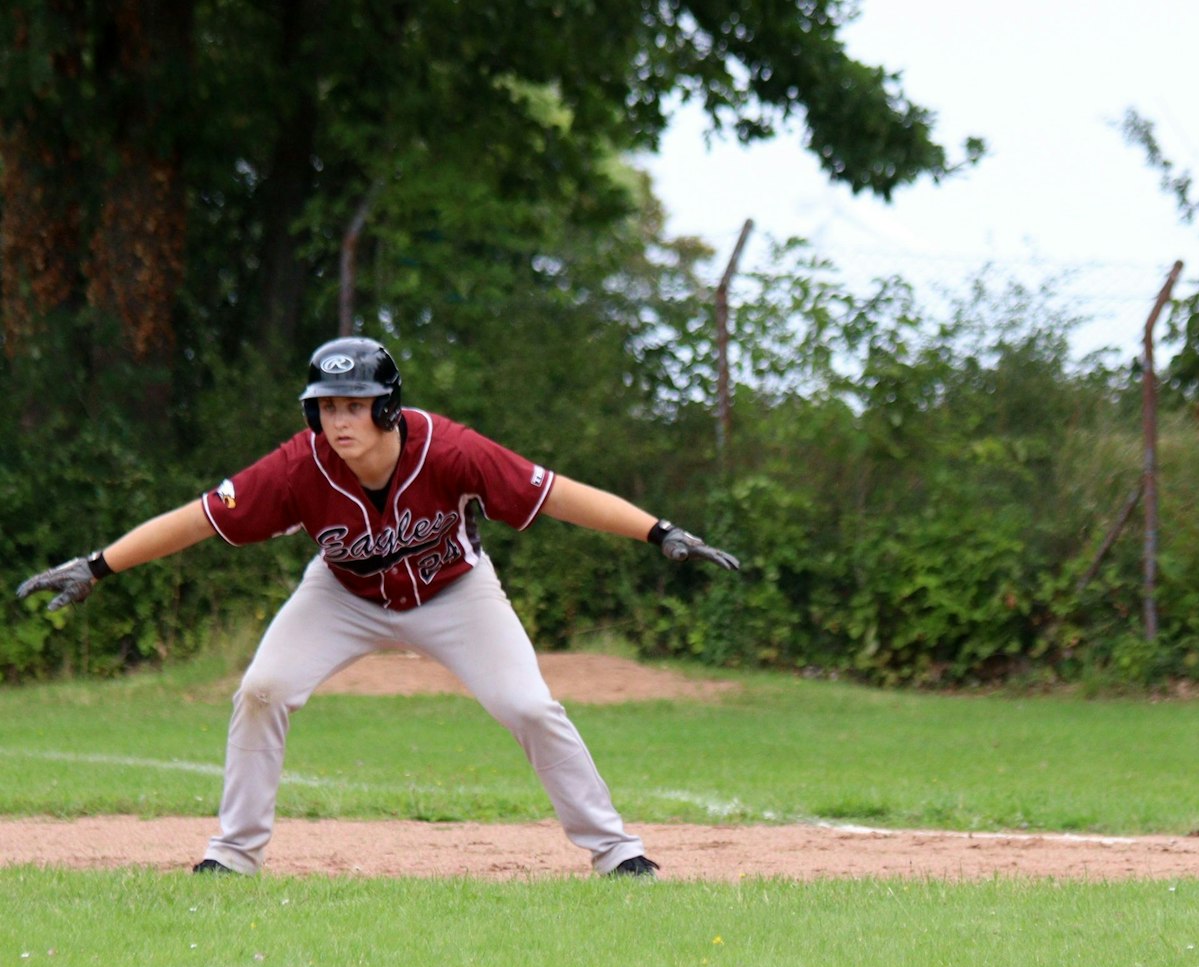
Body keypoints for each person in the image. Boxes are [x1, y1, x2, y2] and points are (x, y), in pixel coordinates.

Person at [15, 337, 740, 878]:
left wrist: (659, 530)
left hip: (456, 590)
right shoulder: (300, 465)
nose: (339, 420)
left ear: (388, 406)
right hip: (343, 594)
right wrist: (99, 564)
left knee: (527, 705)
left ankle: (617, 851)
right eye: (327, 406)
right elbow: (203, 516)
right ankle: (232, 855)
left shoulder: (449, 449)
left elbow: (553, 491)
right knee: (263, 688)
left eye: (354, 404)